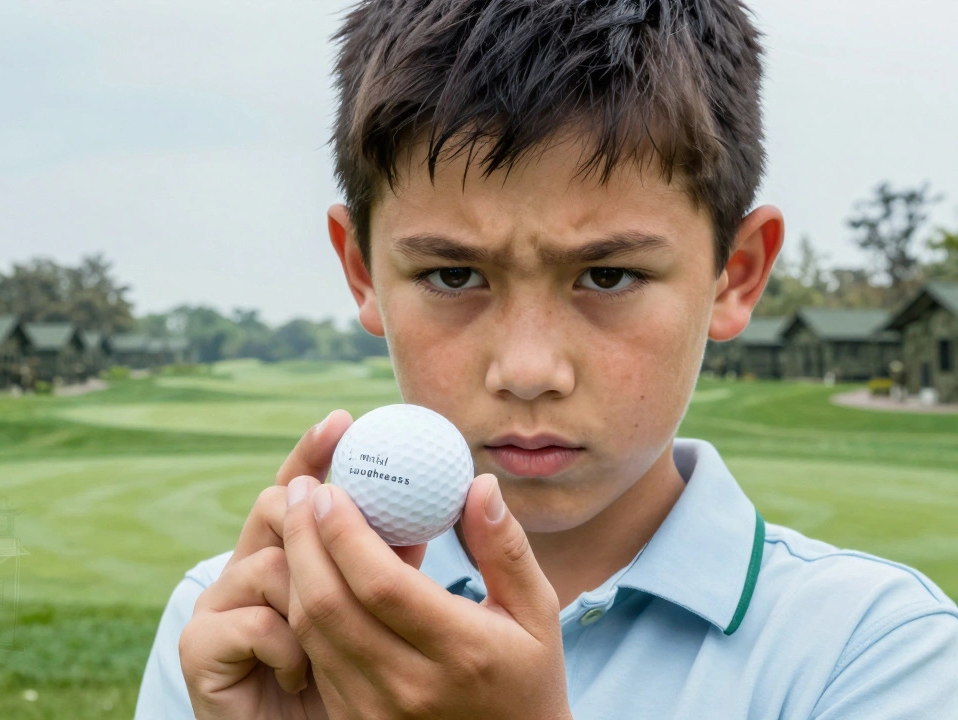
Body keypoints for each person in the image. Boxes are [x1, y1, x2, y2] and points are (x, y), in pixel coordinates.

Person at [136, 1, 958, 718]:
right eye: (453, 275)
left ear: (733, 277)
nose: (528, 371)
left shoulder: (882, 651)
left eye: (608, 275)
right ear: (364, 272)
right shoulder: (238, 625)